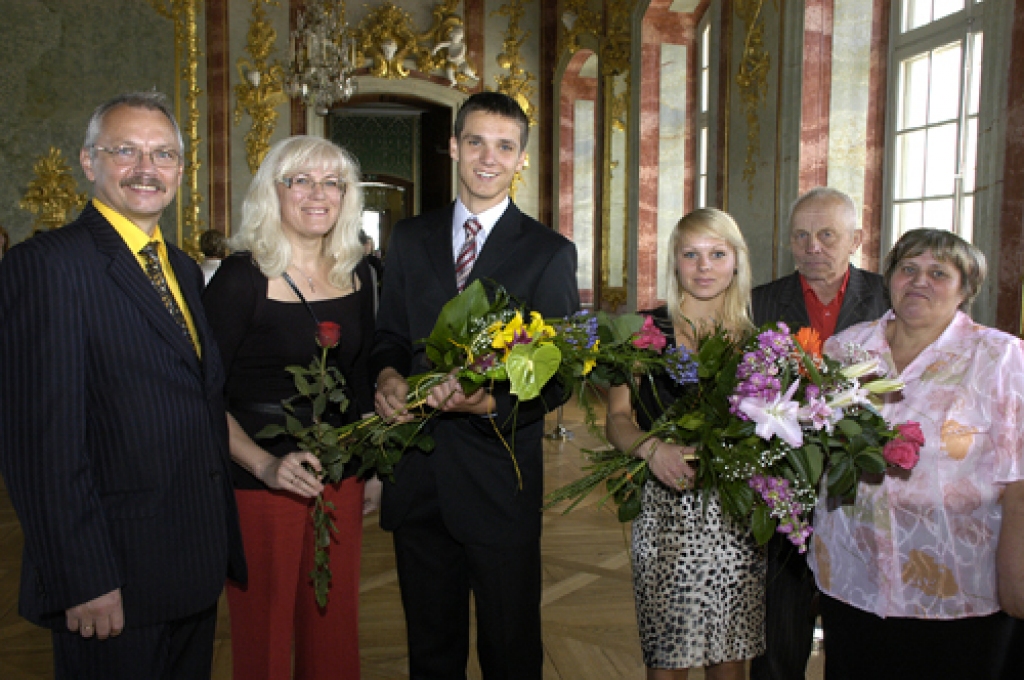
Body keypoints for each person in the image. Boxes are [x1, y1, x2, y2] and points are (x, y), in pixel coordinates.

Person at [0, 91, 246, 680]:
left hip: (189, 568)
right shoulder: (48, 266)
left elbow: (195, 401)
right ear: (89, 162)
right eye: (125, 151)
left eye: (163, 155)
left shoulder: (182, 268)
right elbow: (41, 445)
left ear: (181, 171)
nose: (146, 169)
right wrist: (81, 577)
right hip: (110, 580)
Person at [371, 91, 579, 679]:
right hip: (418, 479)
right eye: (476, 142)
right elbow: (388, 335)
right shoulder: (410, 238)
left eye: (505, 146)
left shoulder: (547, 253)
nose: (489, 157)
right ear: (454, 147)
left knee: (510, 650)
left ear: (520, 160)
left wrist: (490, 400)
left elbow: (558, 374)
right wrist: (386, 377)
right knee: (430, 650)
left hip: (498, 481)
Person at [808, 228, 1024, 679]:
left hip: (957, 584)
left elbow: (1018, 473)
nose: (919, 281)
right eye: (908, 268)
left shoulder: (1000, 357)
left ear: (966, 289)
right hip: (853, 573)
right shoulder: (845, 349)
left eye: (939, 272)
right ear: (890, 278)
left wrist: (1015, 573)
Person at [202, 135, 379, 680]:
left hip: (339, 480)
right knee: (265, 638)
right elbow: (200, 394)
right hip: (260, 486)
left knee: (334, 628)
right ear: (271, 193)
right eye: (299, 180)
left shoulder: (363, 274)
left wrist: (370, 472)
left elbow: (364, 377)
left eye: (331, 182)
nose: (316, 194)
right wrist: (263, 464)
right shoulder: (240, 278)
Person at [606, 208, 764, 680]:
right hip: (666, 508)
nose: (704, 266)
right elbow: (617, 419)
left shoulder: (759, 343)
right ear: (675, 262)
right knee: (668, 657)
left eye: (717, 253)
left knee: (730, 659)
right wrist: (651, 448)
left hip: (736, 511)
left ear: (737, 261)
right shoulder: (644, 332)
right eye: (691, 254)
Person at [750, 186, 888, 680]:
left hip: (867, 486)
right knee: (779, 626)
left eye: (827, 235)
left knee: (856, 628)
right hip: (786, 481)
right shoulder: (760, 303)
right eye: (801, 236)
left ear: (855, 238)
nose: (814, 247)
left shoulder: (890, 299)